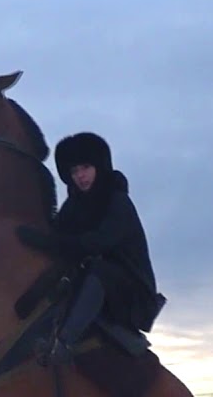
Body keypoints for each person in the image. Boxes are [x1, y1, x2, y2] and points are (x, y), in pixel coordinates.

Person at [15, 131, 165, 362]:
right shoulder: (75, 205)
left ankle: (63, 344)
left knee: (97, 268)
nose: (80, 176)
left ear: (99, 166)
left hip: (132, 295)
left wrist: (49, 242)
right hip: (93, 282)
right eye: (74, 171)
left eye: (85, 167)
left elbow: (97, 242)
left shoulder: (117, 201)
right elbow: (57, 234)